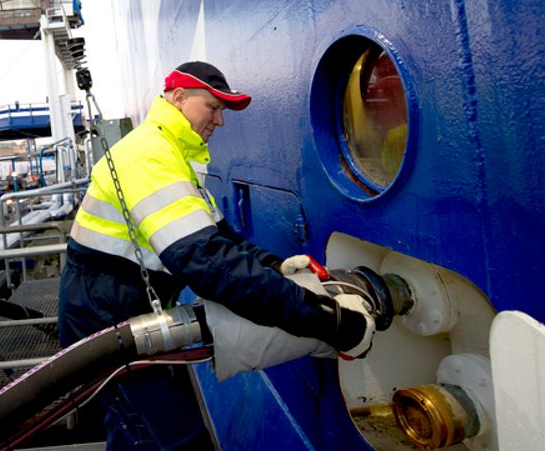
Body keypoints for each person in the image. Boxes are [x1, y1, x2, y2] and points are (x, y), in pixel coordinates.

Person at [58, 61, 375, 450]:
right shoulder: (148, 157)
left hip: (122, 306)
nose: (220, 121)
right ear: (178, 97)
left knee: (138, 434)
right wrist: (326, 320)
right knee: (172, 442)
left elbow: (223, 240)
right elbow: (209, 264)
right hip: (103, 316)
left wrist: (275, 266)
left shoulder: (172, 153)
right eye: (213, 107)